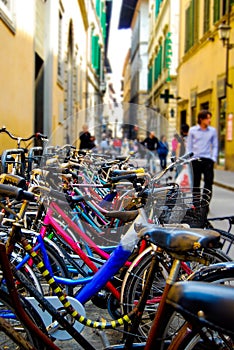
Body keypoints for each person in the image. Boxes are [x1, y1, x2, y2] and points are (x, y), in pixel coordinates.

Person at [186, 110, 218, 206]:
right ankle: (196, 205)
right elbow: (189, 146)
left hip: (208, 160)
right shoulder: (192, 130)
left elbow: (215, 145)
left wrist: (213, 158)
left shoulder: (212, 131)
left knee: (208, 184)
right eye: (207, 118)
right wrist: (189, 159)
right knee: (196, 184)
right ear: (201, 119)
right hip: (195, 160)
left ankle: (205, 205)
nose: (209, 120)